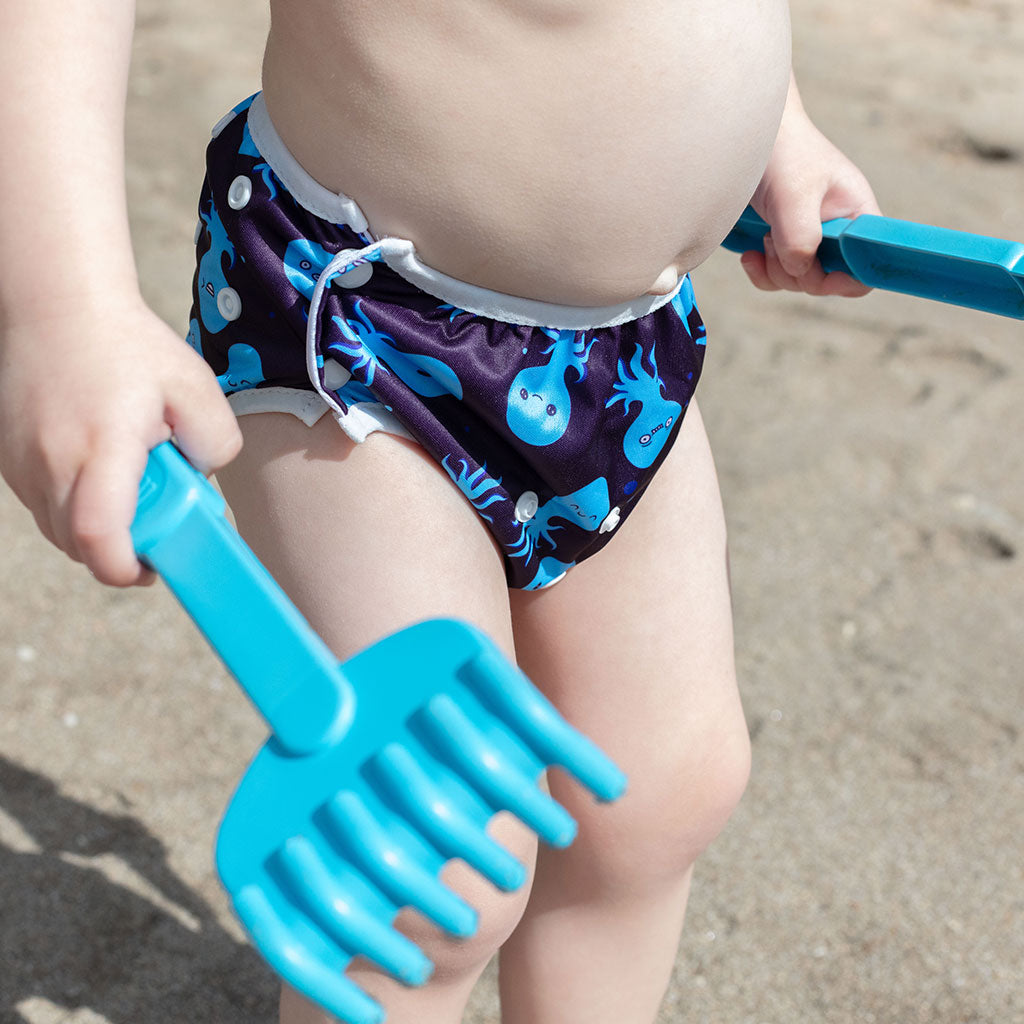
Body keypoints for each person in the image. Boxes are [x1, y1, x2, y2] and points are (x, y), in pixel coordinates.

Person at [0, 2, 880, 1022]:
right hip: (358, 330)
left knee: (653, 796)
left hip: (623, 348)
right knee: (428, 865)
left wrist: (773, 122)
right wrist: (60, 307)